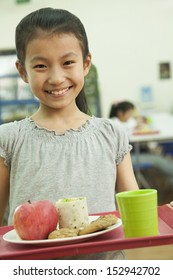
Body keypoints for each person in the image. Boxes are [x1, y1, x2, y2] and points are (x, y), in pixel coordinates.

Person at [0, 8, 140, 259]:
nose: (56, 78)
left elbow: (135, 211)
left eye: (68, 62)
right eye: (41, 65)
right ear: (23, 71)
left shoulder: (111, 134)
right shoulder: (9, 139)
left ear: (86, 64)